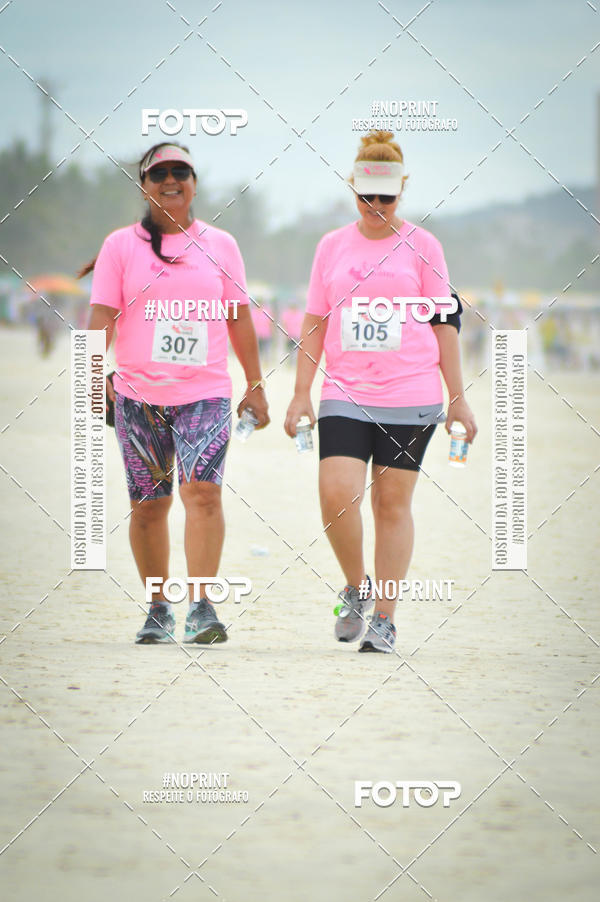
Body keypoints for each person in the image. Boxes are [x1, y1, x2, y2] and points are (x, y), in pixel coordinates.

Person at [284, 131, 476, 653]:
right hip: (345, 390)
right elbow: (316, 321)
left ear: (401, 192)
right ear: (353, 188)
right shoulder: (331, 247)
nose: (375, 205)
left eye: (386, 196)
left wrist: (458, 398)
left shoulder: (424, 246)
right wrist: (301, 392)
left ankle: (386, 618)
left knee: (393, 505)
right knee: (336, 496)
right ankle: (355, 585)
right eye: (366, 195)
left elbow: (444, 325)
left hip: (412, 393)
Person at [81, 142, 269, 644]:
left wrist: (255, 384)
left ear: (194, 182)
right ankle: (159, 606)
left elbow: (239, 316)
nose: (171, 179)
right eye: (159, 172)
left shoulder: (222, 245)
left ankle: (202, 606)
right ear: (144, 185)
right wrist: (93, 378)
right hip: (138, 396)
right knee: (149, 505)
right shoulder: (120, 247)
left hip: (204, 393)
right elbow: (101, 316)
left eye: (180, 171)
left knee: (202, 493)